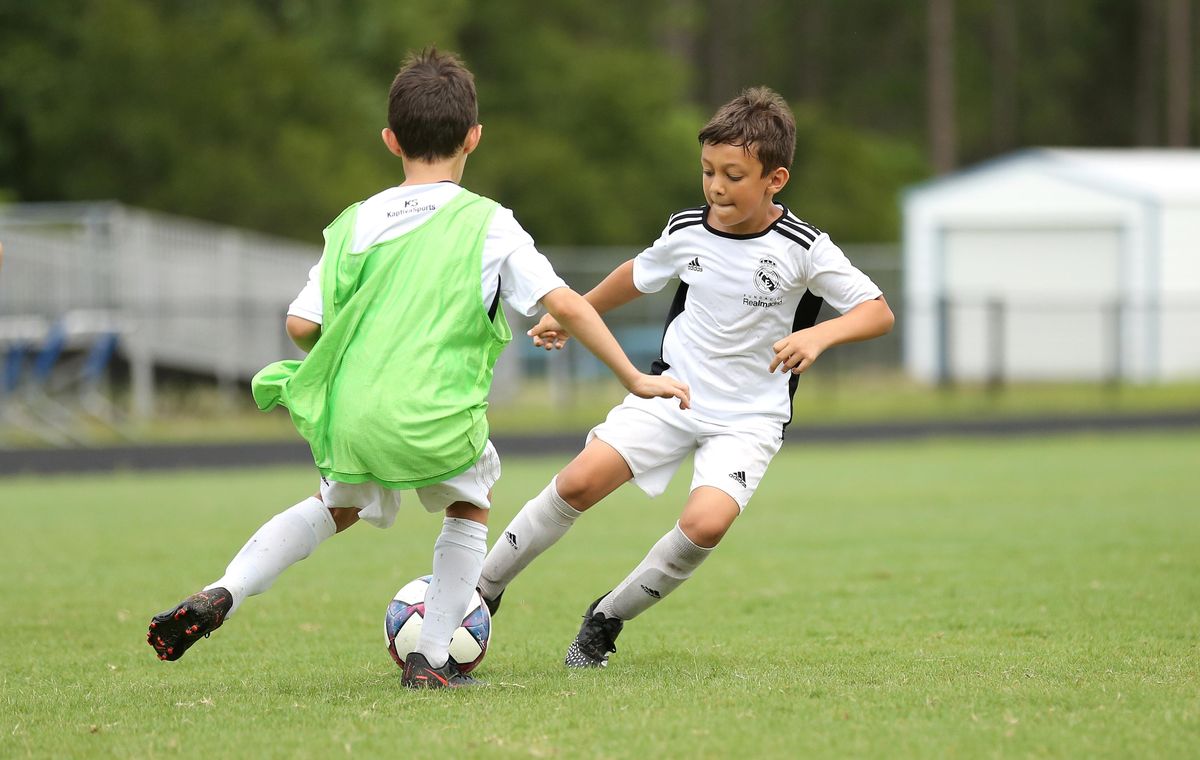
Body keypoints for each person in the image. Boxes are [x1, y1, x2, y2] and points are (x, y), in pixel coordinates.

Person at [145, 48, 689, 688]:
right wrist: (634, 377)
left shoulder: (354, 223)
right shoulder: (487, 223)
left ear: (390, 140)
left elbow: (299, 325)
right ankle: (431, 659)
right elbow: (565, 303)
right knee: (469, 501)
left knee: (334, 506)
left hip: (351, 417)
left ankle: (225, 590)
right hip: (432, 416)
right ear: (474, 138)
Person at [477, 87, 894, 669]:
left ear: (776, 179)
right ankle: (482, 592)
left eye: (733, 175)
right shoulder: (688, 229)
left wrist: (818, 335)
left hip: (750, 418)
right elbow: (636, 275)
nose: (716, 187)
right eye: (707, 172)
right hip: (673, 393)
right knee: (577, 483)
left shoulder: (804, 248)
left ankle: (606, 618)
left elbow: (877, 310)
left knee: (705, 525)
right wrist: (575, 316)